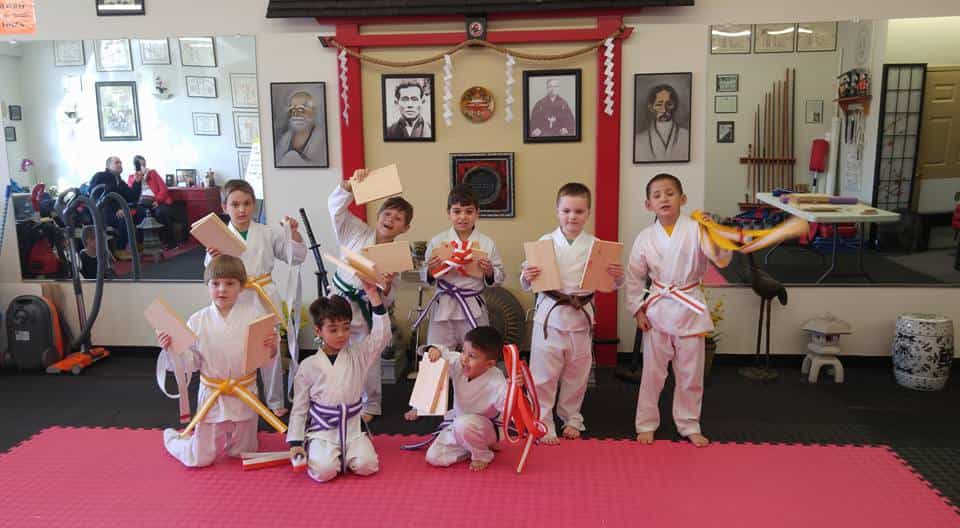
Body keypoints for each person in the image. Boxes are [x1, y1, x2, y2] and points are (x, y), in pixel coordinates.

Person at [626, 174, 732, 448]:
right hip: (658, 310)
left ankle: (689, 424)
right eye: (657, 195)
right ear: (648, 204)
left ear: (682, 199)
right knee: (652, 372)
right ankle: (646, 423)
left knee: (690, 373)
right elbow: (635, 277)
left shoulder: (697, 229)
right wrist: (638, 309)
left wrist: (715, 233)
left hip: (688, 305)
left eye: (670, 193)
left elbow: (721, 259)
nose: (664, 198)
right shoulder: (645, 237)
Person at [520, 183, 624, 444]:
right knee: (544, 375)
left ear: (587, 213)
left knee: (577, 374)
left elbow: (611, 285)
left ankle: (572, 417)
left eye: (579, 211)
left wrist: (618, 277)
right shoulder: (545, 242)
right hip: (550, 315)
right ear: (557, 211)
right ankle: (543, 421)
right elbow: (527, 280)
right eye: (566, 210)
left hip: (581, 315)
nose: (572, 217)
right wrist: (527, 274)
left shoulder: (597, 244)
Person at [155, 255, 282, 467]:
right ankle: (173, 440)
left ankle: (240, 437)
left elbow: (265, 361)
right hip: (212, 394)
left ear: (241, 287)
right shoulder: (197, 320)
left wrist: (272, 347)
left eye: (230, 284)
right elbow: (191, 363)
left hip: (245, 390)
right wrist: (171, 349)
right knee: (200, 459)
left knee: (243, 453)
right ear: (208, 286)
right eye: (216, 284)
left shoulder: (255, 314)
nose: (222, 289)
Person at [204, 180, 306, 417]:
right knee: (235, 348)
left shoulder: (268, 232)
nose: (242, 210)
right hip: (233, 298)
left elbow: (296, 257)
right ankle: (242, 396)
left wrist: (294, 234)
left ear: (254, 205)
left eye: (247, 203)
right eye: (235, 204)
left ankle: (275, 400)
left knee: (268, 348)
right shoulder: (217, 237)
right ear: (224, 206)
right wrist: (212, 257)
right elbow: (210, 275)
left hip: (262, 294)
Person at [405, 184, 504, 422]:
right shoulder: (438, 241)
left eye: (468, 211)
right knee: (434, 353)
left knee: (477, 355)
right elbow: (426, 278)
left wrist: (489, 270)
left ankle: (487, 403)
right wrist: (429, 270)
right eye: (457, 211)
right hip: (445, 304)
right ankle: (424, 404)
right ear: (449, 213)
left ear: (477, 214)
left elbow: (498, 278)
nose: (463, 216)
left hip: (472, 306)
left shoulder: (487, 243)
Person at [328, 169, 413, 423]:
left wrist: (385, 286)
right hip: (340, 300)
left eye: (398, 218)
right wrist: (349, 187)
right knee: (335, 351)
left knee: (369, 356)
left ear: (405, 227)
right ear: (378, 215)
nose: (391, 219)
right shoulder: (355, 231)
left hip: (368, 307)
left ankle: (371, 404)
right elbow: (336, 210)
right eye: (387, 213)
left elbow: (390, 295)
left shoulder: (397, 255)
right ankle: (338, 399)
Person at [286, 280, 391, 482]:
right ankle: (315, 447)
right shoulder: (308, 365)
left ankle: (349, 451)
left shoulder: (358, 354)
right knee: (324, 472)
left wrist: (374, 297)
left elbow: (381, 336)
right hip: (323, 429)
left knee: (367, 465)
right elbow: (300, 407)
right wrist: (296, 442)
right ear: (318, 331)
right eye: (333, 330)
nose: (341, 335)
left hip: (352, 425)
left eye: (346, 328)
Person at [419, 326, 511, 472]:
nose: (464, 359)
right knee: (434, 457)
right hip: (460, 425)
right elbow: (444, 353)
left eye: (472, 356)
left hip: (485, 428)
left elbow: (508, 409)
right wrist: (434, 350)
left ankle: (482, 454)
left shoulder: (497, 380)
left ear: (490, 364)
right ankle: (472, 446)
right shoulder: (458, 363)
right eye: (463, 351)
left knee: (463, 424)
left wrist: (514, 389)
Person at [89, 156, 141, 252]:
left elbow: (132, 196)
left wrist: (137, 182)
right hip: (103, 212)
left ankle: (138, 244)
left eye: (121, 162)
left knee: (141, 211)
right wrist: (117, 209)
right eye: (117, 163)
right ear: (108, 166)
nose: (120, 164)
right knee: (123, 218)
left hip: (118, 211)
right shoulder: (100, 176)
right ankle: (120, 249)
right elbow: (97, 196)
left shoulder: (120, 182)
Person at [127, 155, 177, 248]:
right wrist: (138, 180)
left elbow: (164, 189)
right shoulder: (131, 177)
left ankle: (169, 242)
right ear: (135, 166)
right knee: (140, 213)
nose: (143, 167)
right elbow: (131, 194)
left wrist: (158, 200)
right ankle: (143, 243)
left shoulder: (153, 173)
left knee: (161, 213)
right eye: (140, 165)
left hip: (159, 201)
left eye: (144, 164)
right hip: (142, 202)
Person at [634, 84, 691, 162]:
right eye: (659, 104)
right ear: (651, 108)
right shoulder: (638, 140)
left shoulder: (687, 136)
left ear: (675, 106)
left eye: (669, 104)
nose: (664, 110)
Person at [275, 90, 328, 167]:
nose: (296, 114)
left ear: (313, 112)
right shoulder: (285, 138)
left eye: (301, 110)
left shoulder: (322, 138)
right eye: (292, 110)